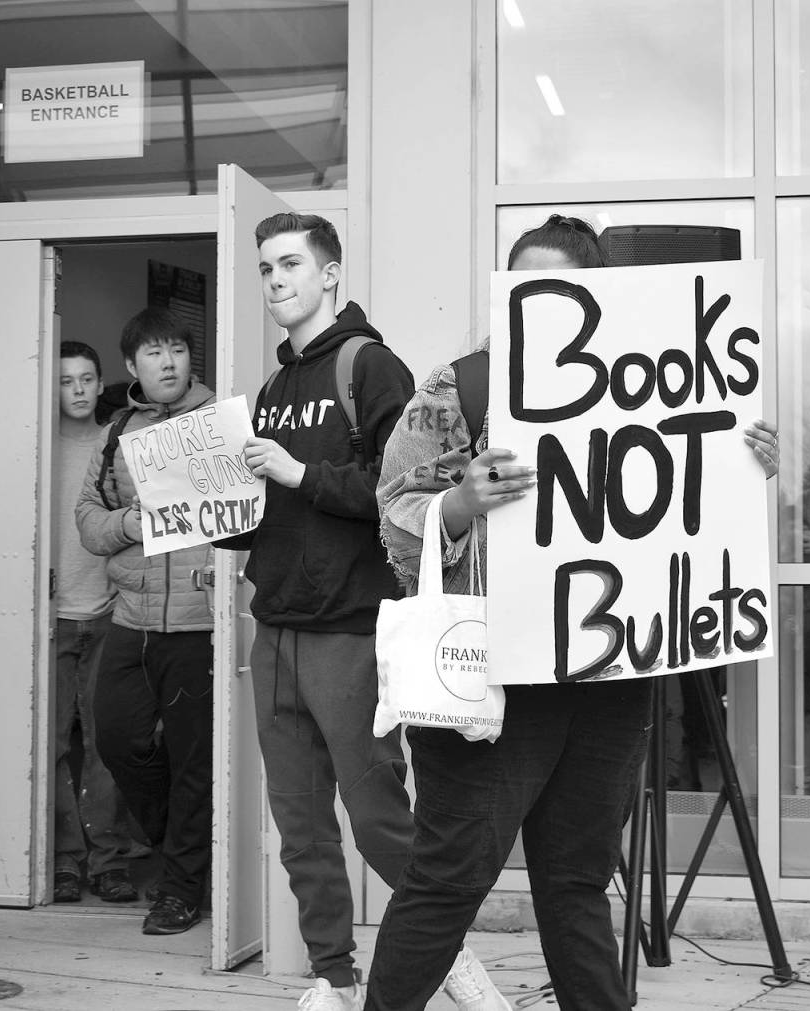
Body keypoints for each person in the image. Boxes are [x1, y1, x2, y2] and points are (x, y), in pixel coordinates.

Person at [366, 214, 780, 1011]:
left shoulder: (658, 386)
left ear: (595, 300)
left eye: (554, 286)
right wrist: (459, 501)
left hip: (607, 671)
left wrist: (740, 466)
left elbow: (682, 517)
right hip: (490, 676)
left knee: (578, 880)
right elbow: (391, 514)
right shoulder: (459, 387)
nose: (535, 300)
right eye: (521, 284)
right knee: (451, 878)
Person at [212, 213, 503, 1011]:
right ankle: (332, 977)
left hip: (351, 627)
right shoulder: (270, 390)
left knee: (377, 815)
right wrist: (200, 511)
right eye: (266, 268)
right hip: (273, 627)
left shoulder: (370, 367)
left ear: (331, 273)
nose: (275, 280)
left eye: (291, 264)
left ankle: (445, 954)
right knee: (300, 826)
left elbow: (397, 491)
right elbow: (268, 513)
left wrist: (297, 473)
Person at [75, 308, 215, 935]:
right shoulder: (117, 433)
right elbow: (87, 519)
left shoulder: (222, 424)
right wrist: (131, 525)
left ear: (191, 358)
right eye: (154, 353)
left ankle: (181, 889)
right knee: (117, 739)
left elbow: (250, 516)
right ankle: (187, 852)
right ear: (132, 367)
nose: (168, 362)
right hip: (131, 615)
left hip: (198, 619)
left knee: (192, 760)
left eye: (177, 350)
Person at [52, 341, 140, 905]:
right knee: (54, 741)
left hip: (108, 612)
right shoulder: (40, 444)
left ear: (102, 380)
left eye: (87, 378)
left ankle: (108, 859)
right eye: (66, 381)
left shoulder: (116, 444)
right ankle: (63, 858)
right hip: (53, 618)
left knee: (107, 744)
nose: (79, 389)